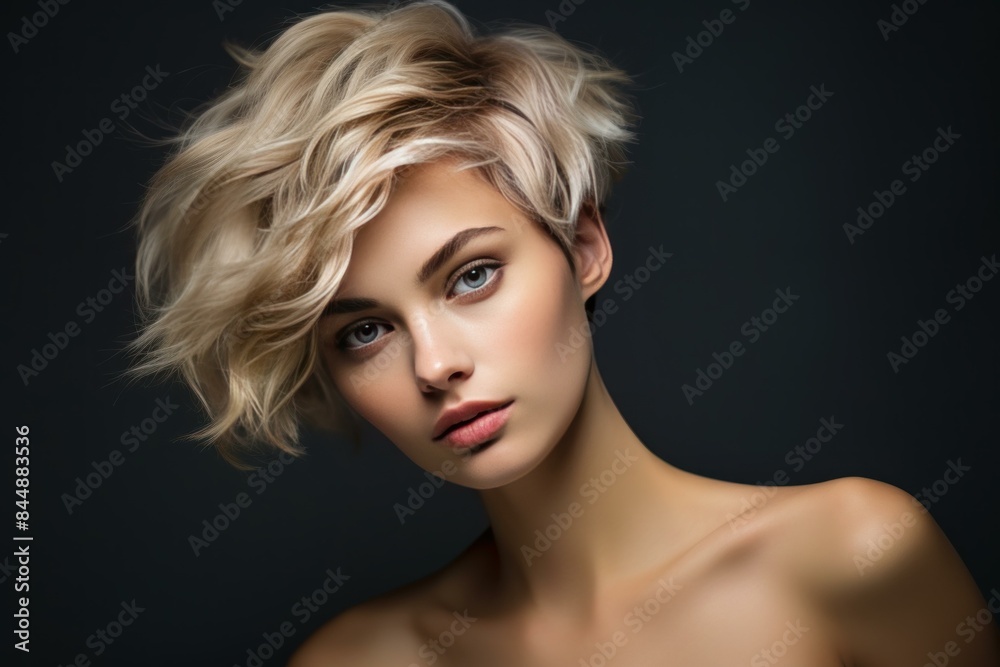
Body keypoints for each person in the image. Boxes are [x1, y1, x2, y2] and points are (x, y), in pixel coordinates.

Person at [126, 1, 1000, 664]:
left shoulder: (852, 554)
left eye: (471, 275)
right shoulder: (361, 658)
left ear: (583, 248)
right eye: (364, 332)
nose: (435, 364)